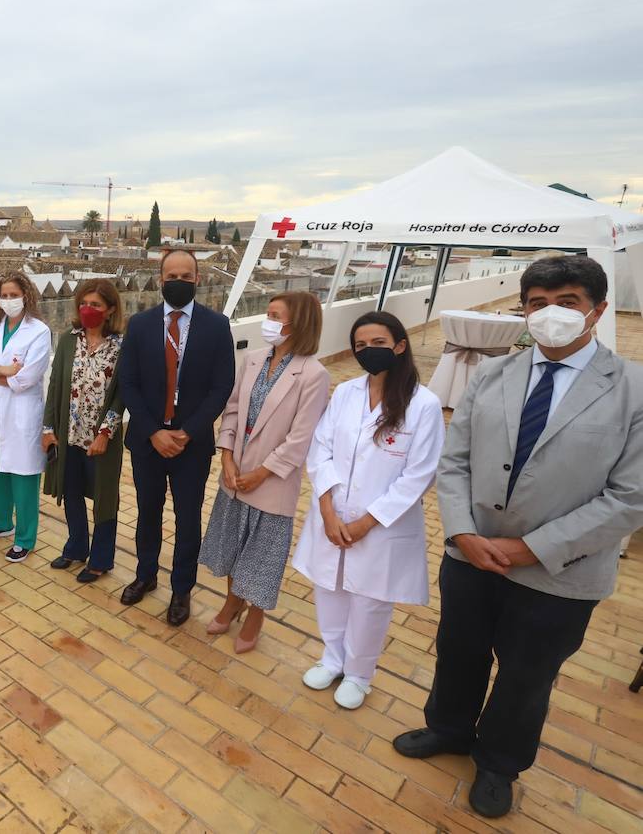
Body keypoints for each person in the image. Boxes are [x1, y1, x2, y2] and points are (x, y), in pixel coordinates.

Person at [394, 256, 643, 819]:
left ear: (597, 310)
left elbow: (630, 497)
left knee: (527, 675)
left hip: (560, 571)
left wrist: (531, 548)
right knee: (459, 653)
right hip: (472, 552)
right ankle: (450, 729)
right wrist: (461, 529)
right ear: (524, 311)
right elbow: (454, 461)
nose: (550, 314)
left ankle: (499, 762)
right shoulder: (492, 375)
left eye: (568, 302)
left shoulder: (632, 389)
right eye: (537, 304)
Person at [293, 311, 444, 711]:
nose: (368, 351)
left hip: (379, 526)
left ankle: (359, 674)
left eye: (378, 343)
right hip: (332, 517)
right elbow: (320, 450)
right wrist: (327, 510)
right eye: (361, 345)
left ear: (399, 345)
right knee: (330, 589)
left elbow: (418, 476)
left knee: (370, 601)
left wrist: (365, 522)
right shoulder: (345, 393)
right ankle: (332, 659)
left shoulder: (423, 405)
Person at [200, 292, 330, 652]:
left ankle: (255, 612)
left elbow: (300, 438)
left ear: (297, 323)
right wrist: (226, 458)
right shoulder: (254, 359)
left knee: (261, 555)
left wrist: (262, 473)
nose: (267, 321)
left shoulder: (314, 375)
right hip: (236, 475)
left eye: (275, 315)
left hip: (271, 482)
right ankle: (232, 602)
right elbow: (233, 411)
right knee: (230, 544)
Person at [117, 248, 235, 625]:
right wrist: (153, 431)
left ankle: (182, 589)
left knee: (187, 519)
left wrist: (187, 431)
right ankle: (146, 576)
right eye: (172, 276)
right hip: (148, 441)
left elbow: (222, 386)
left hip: (191, 444)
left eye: (187, 276)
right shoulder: (140, 324)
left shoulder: (217, 327)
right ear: (161, 278)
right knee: (148, 513)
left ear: (197, 279)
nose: (179, 282)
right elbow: (128, 383)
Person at [41, 278, 126, 583]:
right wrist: (48, 429)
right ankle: (76, 548)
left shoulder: (120, 347)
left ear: (110, 309)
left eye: (96, 305)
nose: (88, 309)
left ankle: (101, 559)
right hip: (69, 436)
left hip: (100, 440)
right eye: (84, 303)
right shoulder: (68, 340)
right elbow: (55, 387)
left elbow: (122, 394)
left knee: (104, 498)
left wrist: (105, 433)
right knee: (71, 492)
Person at [0, 272, 52, 563]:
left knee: (23, 475)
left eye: (13, 294)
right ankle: (1, 523)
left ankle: (25, 538)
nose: (8, 300)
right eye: (3, 295)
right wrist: (2, 370)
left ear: (26, 296)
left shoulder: (39, 331)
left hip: (22, 413)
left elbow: (28, 377)